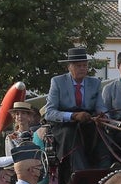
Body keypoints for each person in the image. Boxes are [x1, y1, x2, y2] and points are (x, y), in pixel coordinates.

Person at [44, 46, 111, 174]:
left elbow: (100, 106)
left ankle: (105, 171)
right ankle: (80, 173)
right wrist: (73, 116)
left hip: (89, 122)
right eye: (78, 66)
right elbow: (49, 112)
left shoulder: (95, 83)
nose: (82, 69)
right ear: (69, 67)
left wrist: (103, 116)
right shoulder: (57, 82)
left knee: (103, 136)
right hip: (65, 125)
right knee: (71, 135)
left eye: (84, 65)